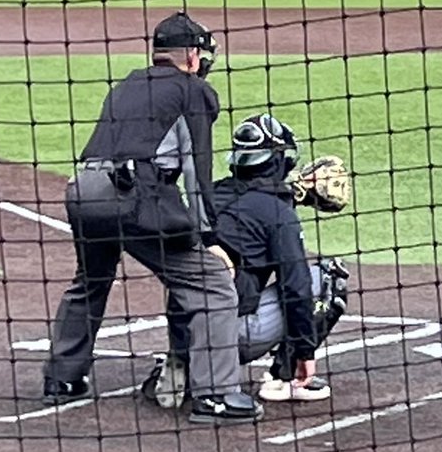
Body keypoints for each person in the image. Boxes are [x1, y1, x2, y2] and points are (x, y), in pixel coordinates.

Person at [42, 11, 263, 425]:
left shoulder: (127, 84)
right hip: (130, 195)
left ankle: (62, 377)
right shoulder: (193, 92)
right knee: (212, 284)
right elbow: (196, 169)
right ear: (194, 57)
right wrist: (209, 235)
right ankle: (214, 396)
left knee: (91, 280)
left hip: (81, 189)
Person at [141, 114, 353, 410]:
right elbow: (296, 287)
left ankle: (186, 360)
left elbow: (248, 206)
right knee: (328, 277)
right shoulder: (278, 215)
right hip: (234, 336)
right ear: (278, 161)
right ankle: (288, 378)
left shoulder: (212, 194)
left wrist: (294, 194)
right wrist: (305, 352)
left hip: (187, 327)